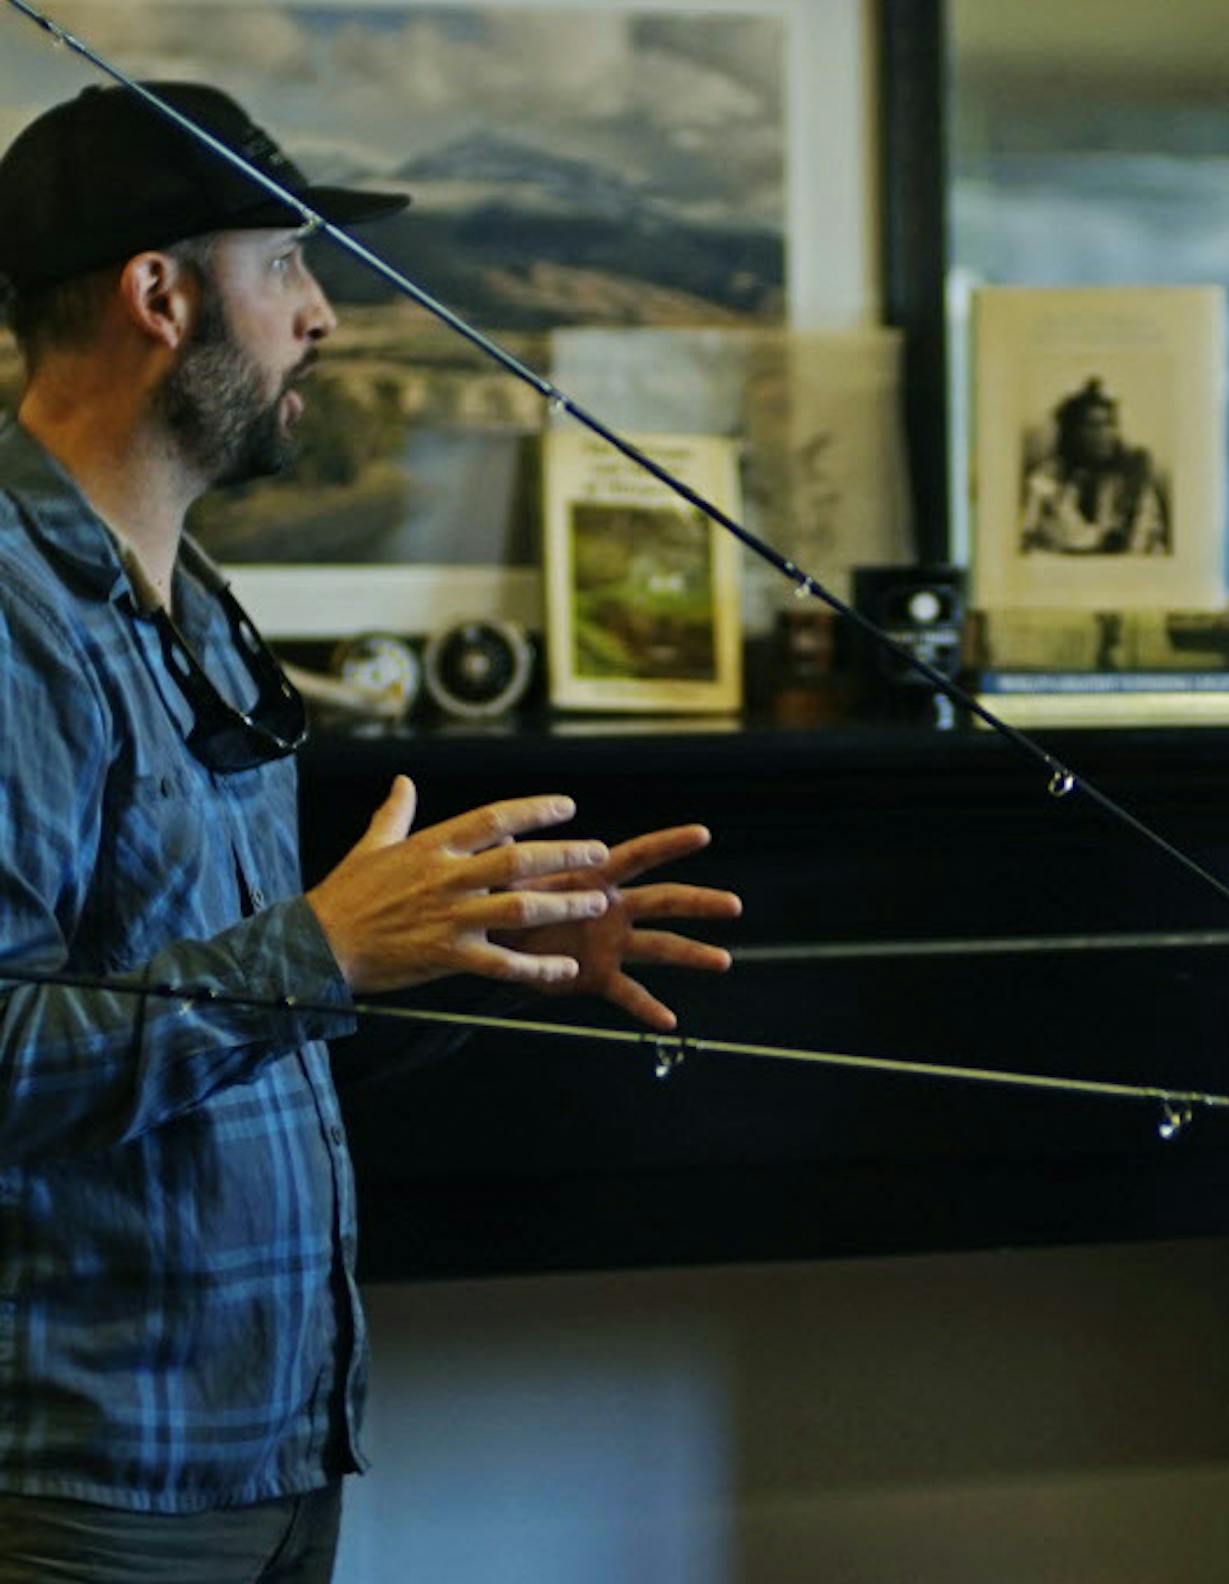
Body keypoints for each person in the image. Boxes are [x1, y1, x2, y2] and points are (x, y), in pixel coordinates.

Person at [0, 82, 744, 1580]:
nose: (321, 317)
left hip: (269, 1450)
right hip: (90, 1491)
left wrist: (458, 954)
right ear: (160, 294)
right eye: (284, 264)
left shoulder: (190, 603)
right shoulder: (7, 612)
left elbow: (237, 1006)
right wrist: (325, 942)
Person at [1018, 377, 1170, 555]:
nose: (1104, 434)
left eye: (1109, 424)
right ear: (1073, 432)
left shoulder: (1132, 479)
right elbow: (1031, 538)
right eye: (1093, 425)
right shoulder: (1045, 479)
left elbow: (1148, 538)